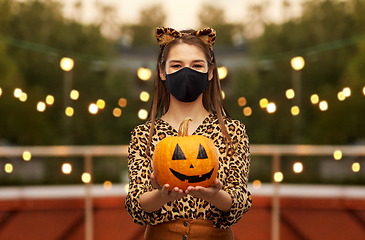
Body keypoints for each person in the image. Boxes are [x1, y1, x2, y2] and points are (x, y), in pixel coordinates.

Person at [125, 27, 252, 240]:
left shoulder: (232, 132)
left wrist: (215, 195)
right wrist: (161, 196)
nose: (187, 72)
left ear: (210, 72)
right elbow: (136, 205)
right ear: (162, 72)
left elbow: (239, 202)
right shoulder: (143, 135)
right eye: (176, 65)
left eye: (196, 65)